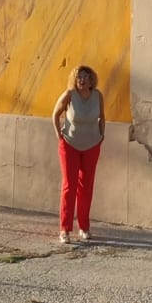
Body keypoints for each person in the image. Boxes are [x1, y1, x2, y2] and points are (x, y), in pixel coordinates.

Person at [52, 63, 105, 243]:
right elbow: (55, 114)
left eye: (85, 77)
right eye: (79, 77)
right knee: (70, 186)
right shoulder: (69, 95)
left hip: (92, 145)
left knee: (86, 186)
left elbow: (102, 117)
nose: (82, 80)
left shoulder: (97, 96)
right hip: (70, 144)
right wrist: (59, 135)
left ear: (91, 80)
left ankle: (84, 227)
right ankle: (64, 229)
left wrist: (101, 135)